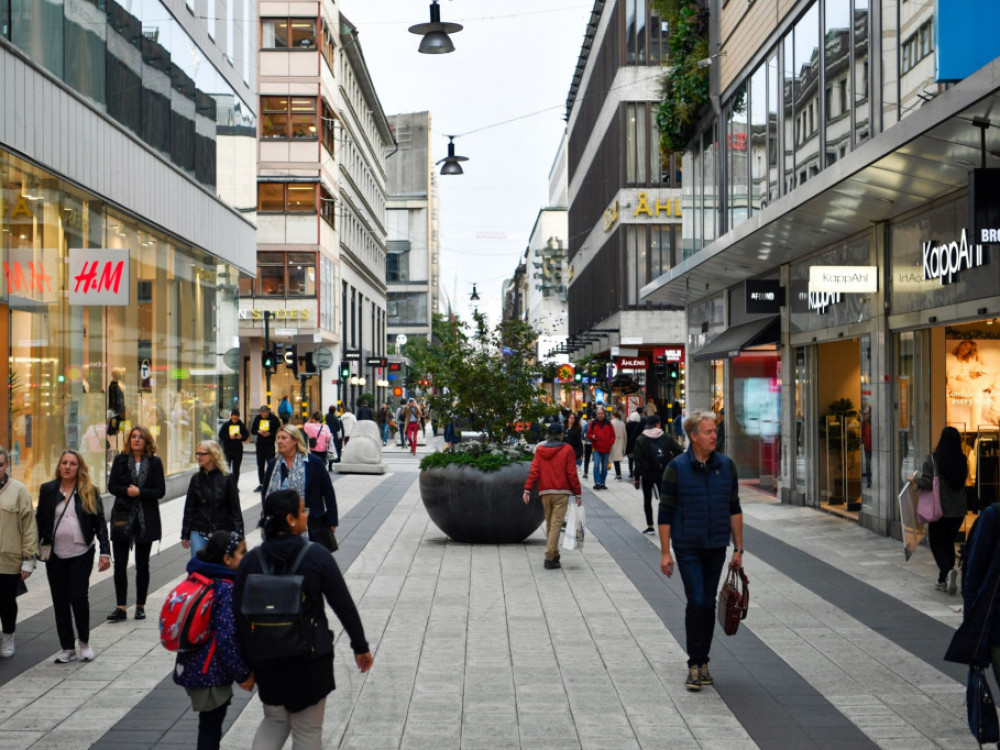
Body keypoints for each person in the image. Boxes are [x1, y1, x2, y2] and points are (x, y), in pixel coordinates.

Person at [233, 490, 373, 748]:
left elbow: (239, 616)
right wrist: (360, 647)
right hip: (310, 658)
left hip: (267, 659)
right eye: (302, 510)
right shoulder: (316, 556)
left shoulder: (251, 561)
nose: (306, 514)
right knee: (307, 731)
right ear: (290, 519)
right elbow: (343, 605)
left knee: (274, 721)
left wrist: (248, 660)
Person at [658, 410, 743, 692]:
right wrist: (665, 551)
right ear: (693, 436)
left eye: (714, 431)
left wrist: (739, 549)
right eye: (708, 432)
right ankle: (695, 664)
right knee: (696, 600)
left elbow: (734, 508)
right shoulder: (677, 467)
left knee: (707, 602)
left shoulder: (726, 466)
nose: (713, 436)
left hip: (717, 545)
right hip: (688, 546)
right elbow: (665, 511)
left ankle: (702, 661)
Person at [174, 531, 254, 750]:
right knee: (210, 728)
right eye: (242, 553)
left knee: (208, 725)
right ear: (227, 559)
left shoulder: (200, 576)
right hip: (212, 671)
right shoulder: (226, 588)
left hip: (194, 665)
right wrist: (243, 674)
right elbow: (227, 638)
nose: (246, 557)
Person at [37, 451, 111, 663]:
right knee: (60, 601)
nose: (67, 467)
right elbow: (40, 521)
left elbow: (100, 524)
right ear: (59, 466)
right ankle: (67, 647)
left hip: (82, 552)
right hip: (56, 555)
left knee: (78, 596)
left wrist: (105, 552)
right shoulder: (48, 490)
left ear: (79, 467)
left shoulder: (89, 491)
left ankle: (85, 643)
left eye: (72, 464)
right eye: (64, 463)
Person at [107, 425, 166, 622]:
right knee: (120, 564)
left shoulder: (155, 462)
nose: (136, 440)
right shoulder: (120, 460)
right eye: (133, 436)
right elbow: (112, 486)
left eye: (140, 437)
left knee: (142, 564)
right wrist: (127, 492)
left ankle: (140, 606)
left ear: (146, 441)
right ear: (129, 440)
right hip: (123, 516)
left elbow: (160, 491)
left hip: (145, 519)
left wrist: (140, 492)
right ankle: (121, 606)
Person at [910, 426, 968, 595]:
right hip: (958, 510)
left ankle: (947, 570)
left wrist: (914, 479)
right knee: (948, 541)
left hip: (939, 509)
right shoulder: (962, 459)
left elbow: (927, 483)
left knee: (936, 542)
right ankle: (943, 579)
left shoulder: (933, 459)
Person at [263, 425, 339, 552]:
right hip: (281, 527)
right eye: (278, 438)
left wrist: (332, 520)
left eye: (284, 438)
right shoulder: (273, 465)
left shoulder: (313, 462)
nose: (279, 441)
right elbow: (266, 494)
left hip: (312, 523)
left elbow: (328, 491)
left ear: (295, 441)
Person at [522, 423, 582, 570]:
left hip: (545, 492)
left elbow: (534, 471)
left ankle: (555, 556)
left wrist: (527, 490)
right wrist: (577, 493)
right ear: (561, 434)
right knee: (555, 524)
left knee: (550, 524)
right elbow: (571, 473)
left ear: (548, 435)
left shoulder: (540, 450)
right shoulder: (567, 449)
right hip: (561, 492)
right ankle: (549, 556)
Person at [0, 446, 37, 658]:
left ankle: (8, 635)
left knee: (6, 601)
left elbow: (29, 528)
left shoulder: (19, 491)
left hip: (9, 560)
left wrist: (28, 561)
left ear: (6, 465)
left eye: (1, 464)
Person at [181, 441, 243, 559]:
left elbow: (235, 511)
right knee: (198, 569)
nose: (198, 456)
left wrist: (239, 536)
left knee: (219, 569)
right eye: (197, 453)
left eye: (202, 454)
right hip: (198, 531)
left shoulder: (227, 478)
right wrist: (185, 533)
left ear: (213, 455)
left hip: (221, 534)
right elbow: (189, 508)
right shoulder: (196, 479)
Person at [633, 414, 684, 535]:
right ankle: (668, 524)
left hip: (647, 473)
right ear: (658, 424)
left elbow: (638, 460)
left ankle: (650, 526)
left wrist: (636, 477)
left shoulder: (641, 439)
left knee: (647, 500)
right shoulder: (666, 436)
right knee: (665, 500)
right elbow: (679, 451)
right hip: (664, 472)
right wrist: (669, 461)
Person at [586, 406, 615, 490]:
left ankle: (602, 482)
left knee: (605, 467)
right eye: (598, 414)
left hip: (606, 449)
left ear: (604, 414)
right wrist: (592, 436)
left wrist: (610, 443)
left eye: (601, 413)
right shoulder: (593, 423)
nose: (600, 415)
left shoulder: (609, 423)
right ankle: (597, 482)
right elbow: (588, 434)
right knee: (596, 465)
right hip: (596, 448)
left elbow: (613, 435)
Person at [251, 405, 277, 492]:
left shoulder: (274, 419)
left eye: (265, 414)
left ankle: (271, 483)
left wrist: (269, 434)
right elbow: (253, 430)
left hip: (269, 444)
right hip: (260, 444)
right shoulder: (258, 418)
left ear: (268, 412)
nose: (263, 415)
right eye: (262, 413)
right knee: (260, 465)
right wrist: (259, 431)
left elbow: (277, 431)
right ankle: (262, 484)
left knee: (271, 464)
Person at [218, 408, 249, 478]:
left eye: (236, 419)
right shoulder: (226, 425)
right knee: (226, 468)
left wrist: (241, 437)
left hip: (237, 450)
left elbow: (246, 435)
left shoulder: (241, 425)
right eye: (233, 419)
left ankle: (234, 486)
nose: (234, 421)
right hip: (228, 449)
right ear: (231, 417)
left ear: (238, 417)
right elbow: (221, 435)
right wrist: (229, 437)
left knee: (236, 469)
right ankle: (226, 485)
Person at [625, 407, 644, 478]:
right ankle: (637, 472)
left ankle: (631, 472)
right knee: (637, 460)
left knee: (630, 460)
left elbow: (626, 435)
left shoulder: (628, 425)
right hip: (637, 444)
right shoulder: (640, 425)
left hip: (630, 444)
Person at [610, 409, 627, 481]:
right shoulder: (622, 423)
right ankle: (618, 474)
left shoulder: (611, 422)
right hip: (621, 441)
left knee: (615, 460)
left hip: (614, 442)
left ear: (613, 415)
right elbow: (625, 434)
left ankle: (618, 475)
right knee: (617, 459)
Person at [581, 414, 592, 479]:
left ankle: (585, 473)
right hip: (596, 444)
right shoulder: (597, 423)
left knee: (587, 459)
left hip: (588, 443)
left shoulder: (587, 424)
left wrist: (584, 439)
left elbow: (582, 433)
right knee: (597, 459)